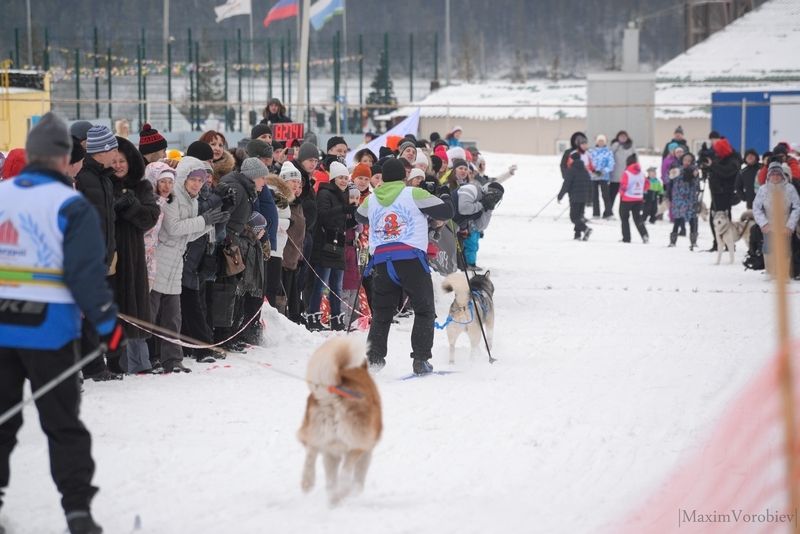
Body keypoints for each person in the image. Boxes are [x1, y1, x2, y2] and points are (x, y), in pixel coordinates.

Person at [0, 112, 125, 534]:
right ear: (63, 157)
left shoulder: (1, 195)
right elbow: (87, 278)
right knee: (63, 425)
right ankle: (77, 512)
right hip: (48, 333)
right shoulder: (70, 205)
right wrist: (109, 329)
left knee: (2, 423)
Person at [356, 158, 454, 375]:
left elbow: (359, 216)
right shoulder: (412, 193)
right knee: (424, 309)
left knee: (382, 313)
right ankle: (420, 359)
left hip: (382, 261)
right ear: (403, 176)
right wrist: (445, 194)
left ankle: (374, 358)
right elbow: (446, 212)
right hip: (410, 259)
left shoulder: (371, 199)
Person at [151, 157, 226, 372]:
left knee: (173, 316)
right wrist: (204, 221)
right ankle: (151, 357)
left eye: (201, 180)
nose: (197, 184)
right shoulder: (173, 198)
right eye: (193, 179)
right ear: (183, 178)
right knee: (153, 313)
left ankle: (173, 360)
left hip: (177, 262)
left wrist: (211, 223)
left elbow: (188, 235)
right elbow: (173, 228)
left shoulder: (193, 201)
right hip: (161, 259)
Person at [74, 125, 123, 380]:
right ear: (101, 151)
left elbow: (108, 220)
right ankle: (91, 367)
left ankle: (96, 364)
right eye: (113, 148)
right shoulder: (83, 177)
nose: (116, 153)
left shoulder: (104, 178)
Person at [109, 137, 161, 374]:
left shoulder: (141, 186)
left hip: (132, 254)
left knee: (132, 308)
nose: (118, 165)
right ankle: (113, 361)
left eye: (123, 160)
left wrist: (131, 207)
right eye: (114, 161)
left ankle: (136, 362)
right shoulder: (102, 184)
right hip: (108, 253)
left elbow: (150, 217)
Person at [305, 161, 357, 331]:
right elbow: (324, 216)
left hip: (339, 244)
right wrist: (344, 209)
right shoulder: (325, 194)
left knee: (337, 284)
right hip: (325, 244)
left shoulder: (344, 195)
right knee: (321, 283)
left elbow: (342, 223)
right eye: (340, 178)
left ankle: (337, 318)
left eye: (346, 178)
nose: (343, 181)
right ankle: (313, 316)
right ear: (333, 178)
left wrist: (354, 218)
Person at [753, 162, 800, 277]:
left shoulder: (790, 189)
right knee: (768, 247)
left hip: (785, 224)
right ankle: (770, 272)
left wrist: (790, 225)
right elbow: (756, 208)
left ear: (782, 175)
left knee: (785, 249)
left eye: (778, 174)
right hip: (769, 224)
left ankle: (784, 273)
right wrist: (763, 224)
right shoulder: (763, 189)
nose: (775, 177)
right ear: (768, 176)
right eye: (772, 174)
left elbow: (797, 207)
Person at [702, 136, 741, 252]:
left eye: (718, 150)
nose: (716, 152)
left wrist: (712, 165)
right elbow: (716, 170)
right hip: (716, 193)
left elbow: (726, 172)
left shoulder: (733, 160)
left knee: (724, 220)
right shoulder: (718, 158)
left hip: (725, 194)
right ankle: (717, 242)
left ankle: (729, 244)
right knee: (713, 219)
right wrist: (706, 168)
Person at [558, 146, 593, 241]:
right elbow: (590, 185)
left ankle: (586, 229)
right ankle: (577, 235)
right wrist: (589, 199)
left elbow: (566, 184)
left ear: (572, 159)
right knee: (579, 217)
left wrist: (560, 196)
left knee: (573, 217)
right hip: (584, 198)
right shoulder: (585, 171)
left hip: (575, 198)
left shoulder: (571, 170)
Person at [669, 153, 701, 250]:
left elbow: (697, 185)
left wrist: (695, 176)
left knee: (692, 219)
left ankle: (693, 242)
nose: (687, 162)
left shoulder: (694, 171)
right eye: (685, 159)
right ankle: (673, 241)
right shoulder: (677, 169)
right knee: (678, 219)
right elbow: (670, 179)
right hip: (679, 198)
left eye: (689, 160)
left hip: (690, 198)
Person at [618, 154, 650, 244]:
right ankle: (644, 235)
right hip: (638, 199)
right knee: (638, 218)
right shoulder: (641, 173)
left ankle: (626, 238)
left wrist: (621, 193)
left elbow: (623, 186)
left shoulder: (627, 173)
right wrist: (640, 191)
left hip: (626, 199)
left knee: (624, 218)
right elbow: (647, 184)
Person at [609, 131, 635, 218]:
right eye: (621, 136)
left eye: (624, 136)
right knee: (611, 195)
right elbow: (609, 156)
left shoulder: (631, 146)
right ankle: (608, 212)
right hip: (615, 176)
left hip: (627, 177)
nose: (623, 138)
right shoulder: (615, 145)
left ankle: (623, 213)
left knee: (624, 198)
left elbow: (635, 159)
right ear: (618, 137)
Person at [589, 134, 614, 218]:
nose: (600, 142)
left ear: (605, 142)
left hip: (604, 177)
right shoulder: (592, 152)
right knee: (594, 196)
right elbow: (589, 163)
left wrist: (603, 171)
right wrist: (593, 171)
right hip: (593, 177)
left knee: (606, 195)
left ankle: (608, 213)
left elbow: (611, 164)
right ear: (597, 142)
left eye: (602, 141)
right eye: (599, 141)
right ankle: (596, 213)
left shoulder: (608, 152)